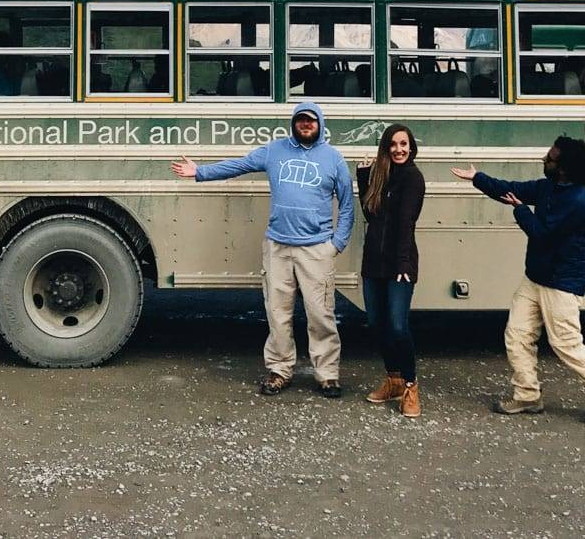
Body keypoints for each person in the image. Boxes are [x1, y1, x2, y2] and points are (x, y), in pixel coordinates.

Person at [172, 101, 355, 397]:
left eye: (310, 121)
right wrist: (200, 172)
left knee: (321, 313)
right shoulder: (274, 151)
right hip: (278, 247)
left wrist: (336, 244)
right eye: (300, 120)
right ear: (293, 123)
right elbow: (240, 165)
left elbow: (347, 205)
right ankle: (280, 369)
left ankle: (327, 374)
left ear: (320, 124)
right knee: (277, 312)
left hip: (317, 249)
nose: (305, 125)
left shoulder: (333, 158)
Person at [450, 136, 585, 425]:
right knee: (517, 333)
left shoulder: (578, 201)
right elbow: (512, 189)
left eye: (550, 158)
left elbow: (541, 233)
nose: (544, 160)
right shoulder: (549, 187)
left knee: (566, 344)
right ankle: (527, 394)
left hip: (561, 284)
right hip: (535, 278)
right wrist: (477, 178)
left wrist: (521, 210)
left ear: (564, 167)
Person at [357, 123, 425, 418]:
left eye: (404, 144)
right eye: (393, 145)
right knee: (377, 323)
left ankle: (411, 385)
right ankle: (394, 380)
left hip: (399, 264)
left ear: (411, 148)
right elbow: (370, 215)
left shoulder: (412, 178)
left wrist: (403, 264)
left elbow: (406, 223)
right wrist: (363, 179)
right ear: (385, 148)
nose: (399, 150)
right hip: (374, 262)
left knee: (398, 326)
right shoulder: (380, 176)